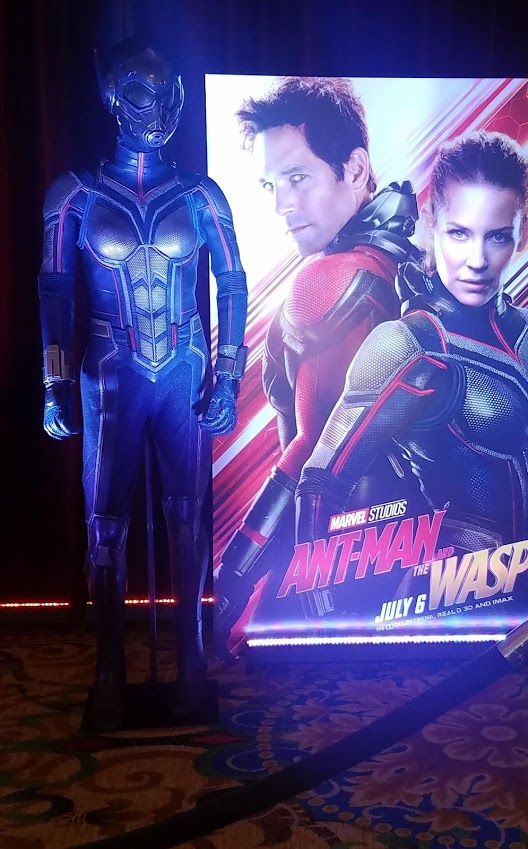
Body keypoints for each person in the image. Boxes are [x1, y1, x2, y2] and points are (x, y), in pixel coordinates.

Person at [38, 41, 249, 730]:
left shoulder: (200, 195)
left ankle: (191, 661)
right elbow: (55, 289)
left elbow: (232, 282)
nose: (152, 109)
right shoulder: (75, 193)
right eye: (137, 92)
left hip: (184, 368)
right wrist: (54, 380)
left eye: (163, 94)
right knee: (105, 525)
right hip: (110, 372)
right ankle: (109, 669)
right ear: (112, 96)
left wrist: (228, 374)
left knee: (188, 519)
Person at [294, 130, 528, 621]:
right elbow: (321, 482)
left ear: (523, 232)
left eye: (497, 236)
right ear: (431, 225)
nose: (478, 260)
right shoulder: (408, 345)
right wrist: (320, 620)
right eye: (459, 233)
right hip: (442, 610)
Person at [213, 77, 420, 655]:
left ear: (355, 169)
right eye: (271, 184)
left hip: (346, 554)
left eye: (297, 177)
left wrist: (235, 574)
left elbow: (311, 448)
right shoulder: (415, 262)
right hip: (414, 562)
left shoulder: (334, 279)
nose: (282, 204)